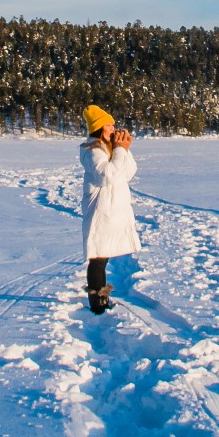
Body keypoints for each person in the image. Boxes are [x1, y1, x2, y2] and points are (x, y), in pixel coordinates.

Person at [78, 104, 141, 314]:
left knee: (102, 256)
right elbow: (108, 176)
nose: (114, 129)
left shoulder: (108, 149)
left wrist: (123, 150)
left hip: (110, 211)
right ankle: (97, 302)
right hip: (99, 212)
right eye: (110, 125)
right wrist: (120, 151)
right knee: (98, 257)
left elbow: (128, 172)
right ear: (99, 127)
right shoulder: (93, 151)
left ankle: (101, 298)